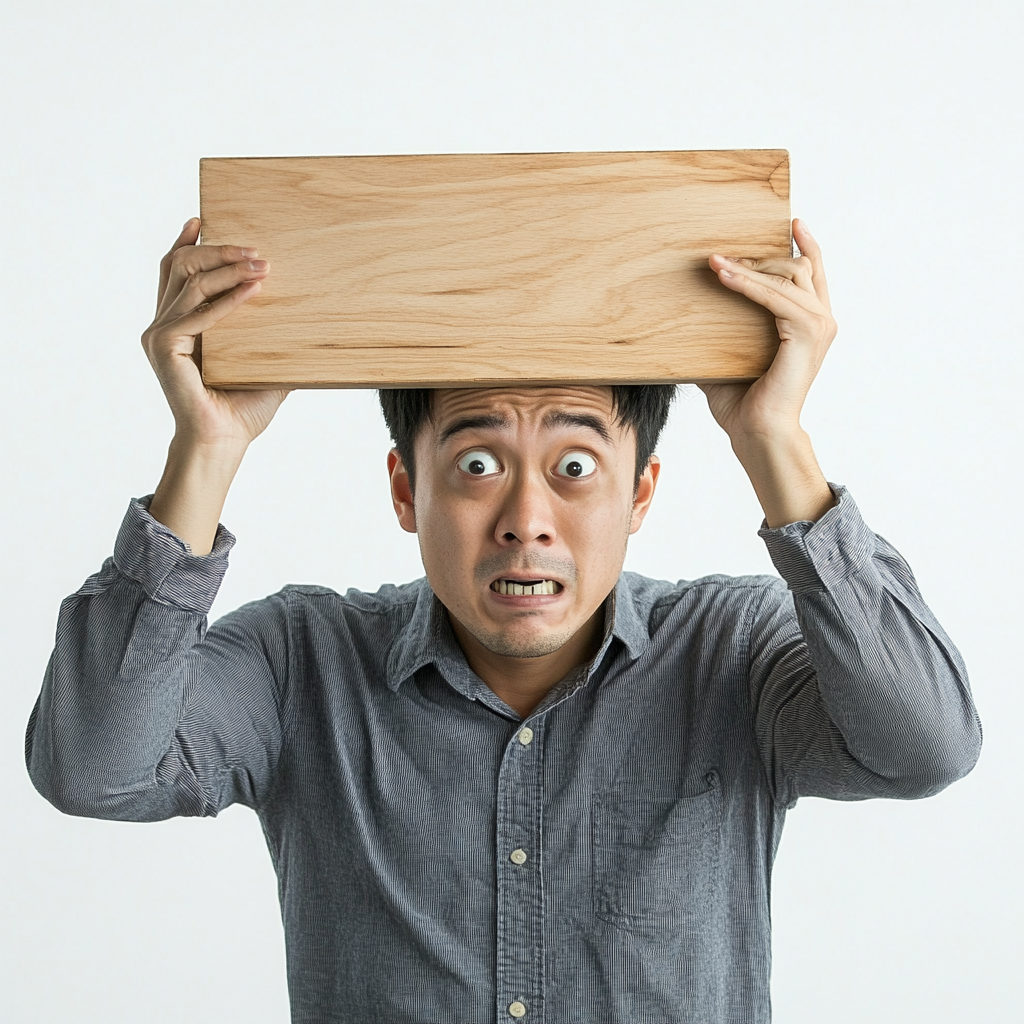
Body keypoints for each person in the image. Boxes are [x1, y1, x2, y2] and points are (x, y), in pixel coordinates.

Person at [26, 216, 981, 1024]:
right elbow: (96, 768)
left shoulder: (730, 649)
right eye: (477, 466)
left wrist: (774, 439)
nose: (526, 518)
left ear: (641, 492)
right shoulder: (299, 663)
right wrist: (206, 447)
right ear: (407, 489)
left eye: (575, 468)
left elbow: (927, 745)